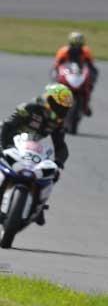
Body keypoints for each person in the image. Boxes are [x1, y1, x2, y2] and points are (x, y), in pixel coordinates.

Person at [0, 84, 74, 226]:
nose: (60, 111)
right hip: (6, 140)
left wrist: (58, 164)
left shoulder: (57, 123)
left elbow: (61, 146)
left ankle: (38, 205)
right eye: (58, 106)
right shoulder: (29, 108)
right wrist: (3, 147)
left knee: (50, 173)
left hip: (26, 147)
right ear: (48, 100)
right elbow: (7, 127)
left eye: (64, 109)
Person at [52, 32, 99, 117]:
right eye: (74, 45)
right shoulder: (63, 51)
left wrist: (92, 77)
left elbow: (91, 66)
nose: (76, 48)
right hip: (66, 73)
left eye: (79, 45)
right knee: (57, 85)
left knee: (89, 85)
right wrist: (56, 75)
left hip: (79, 74)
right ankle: (54, 103)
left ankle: (85, 105)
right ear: (70, 43)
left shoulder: (86, 51)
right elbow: (56, 66)